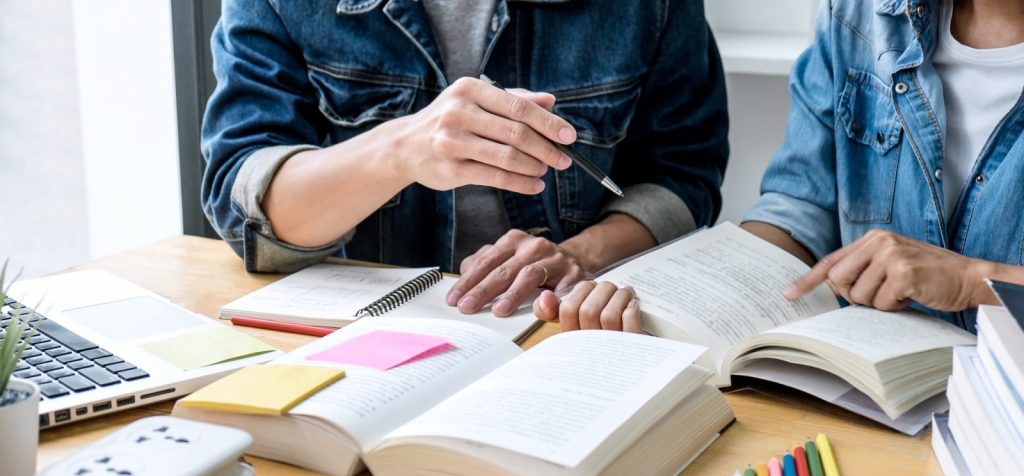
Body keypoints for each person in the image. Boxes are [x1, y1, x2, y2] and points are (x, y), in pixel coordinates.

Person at [200, 0, 728, 326]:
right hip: (357, 333)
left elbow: (684, 173)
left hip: (562, 326)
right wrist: (399, 150)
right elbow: (246, 206)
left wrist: (582, 254)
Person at [550, 0, 1024, 333]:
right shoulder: (857, 14)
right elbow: (798, 207)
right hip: (868, 390)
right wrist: (668, 291)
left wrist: (972, 280)